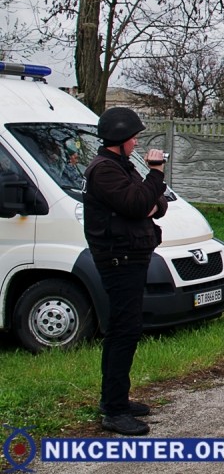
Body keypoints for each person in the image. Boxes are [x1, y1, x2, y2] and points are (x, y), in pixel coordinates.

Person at [83, 106, 168, 436]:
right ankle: (114, 409)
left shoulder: (121, 167)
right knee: (123, 331)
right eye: (133, 137)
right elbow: (137, 203)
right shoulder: (104, 170)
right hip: (119, 261)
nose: (136, 143)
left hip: (132, 257)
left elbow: (156, 204)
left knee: (127, 329)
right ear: (119, 139)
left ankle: (117, 399)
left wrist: (149, 196)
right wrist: (156, 174)